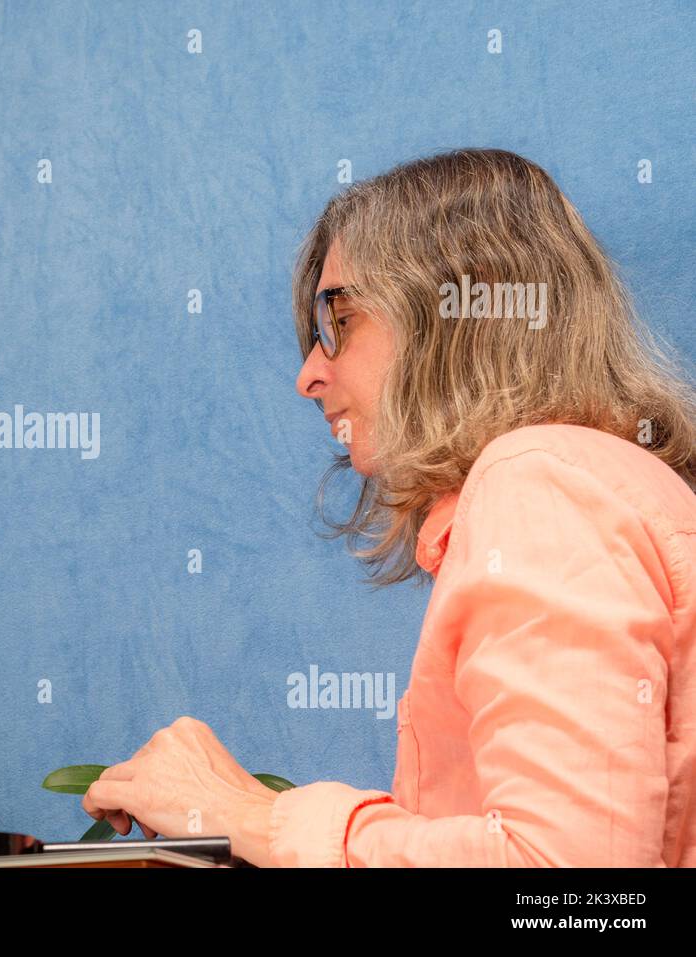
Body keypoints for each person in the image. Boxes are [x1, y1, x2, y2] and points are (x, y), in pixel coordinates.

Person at [81, 148, 696, 866]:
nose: (309, 373)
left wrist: (249, 816)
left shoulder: (538, 487)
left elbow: (573, 894)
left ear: (467, 306)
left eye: (337, 316)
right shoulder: (600, 483)